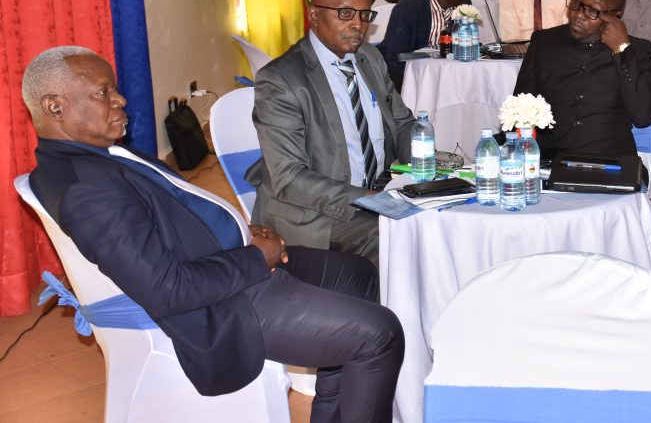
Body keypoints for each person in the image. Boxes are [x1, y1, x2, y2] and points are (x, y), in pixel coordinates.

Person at [24, 46, 405, 422]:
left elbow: (166, 214)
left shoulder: (94, 155)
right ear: (55, 107)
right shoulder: (85, 189)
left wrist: (238, 229)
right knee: (380, 334)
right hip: (220, 308)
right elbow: (168, 290)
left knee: (356, 273)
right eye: (103, 92)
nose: (120, 99)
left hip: (223, 267)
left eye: (115, 88)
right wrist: (256, 258)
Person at [248, 0, 416, 265]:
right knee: (398, 235)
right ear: (314, 15)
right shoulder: (281, 80)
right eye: (346, 13)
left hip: (378, 191)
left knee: (442, 217)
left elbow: (402, 123)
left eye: (364, 15)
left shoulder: (369, 58)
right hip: (313, 214)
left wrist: (427, 170)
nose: (358, 25)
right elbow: (289, 178)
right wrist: (367, 198)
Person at [513, 0, 651, 158]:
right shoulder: (544, 43)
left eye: (592, 11)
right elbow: (520, 107)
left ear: (616, 15)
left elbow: (644, 116)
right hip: (550, 162)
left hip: (610, 162)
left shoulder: (637, 50)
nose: (578, 15)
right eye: (576, 2)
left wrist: (622, 50)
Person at [380, 0, 470, 89]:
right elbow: (396, 60)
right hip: (416, 79)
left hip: (450, 74)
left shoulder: (463, 3)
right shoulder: (408, 9)